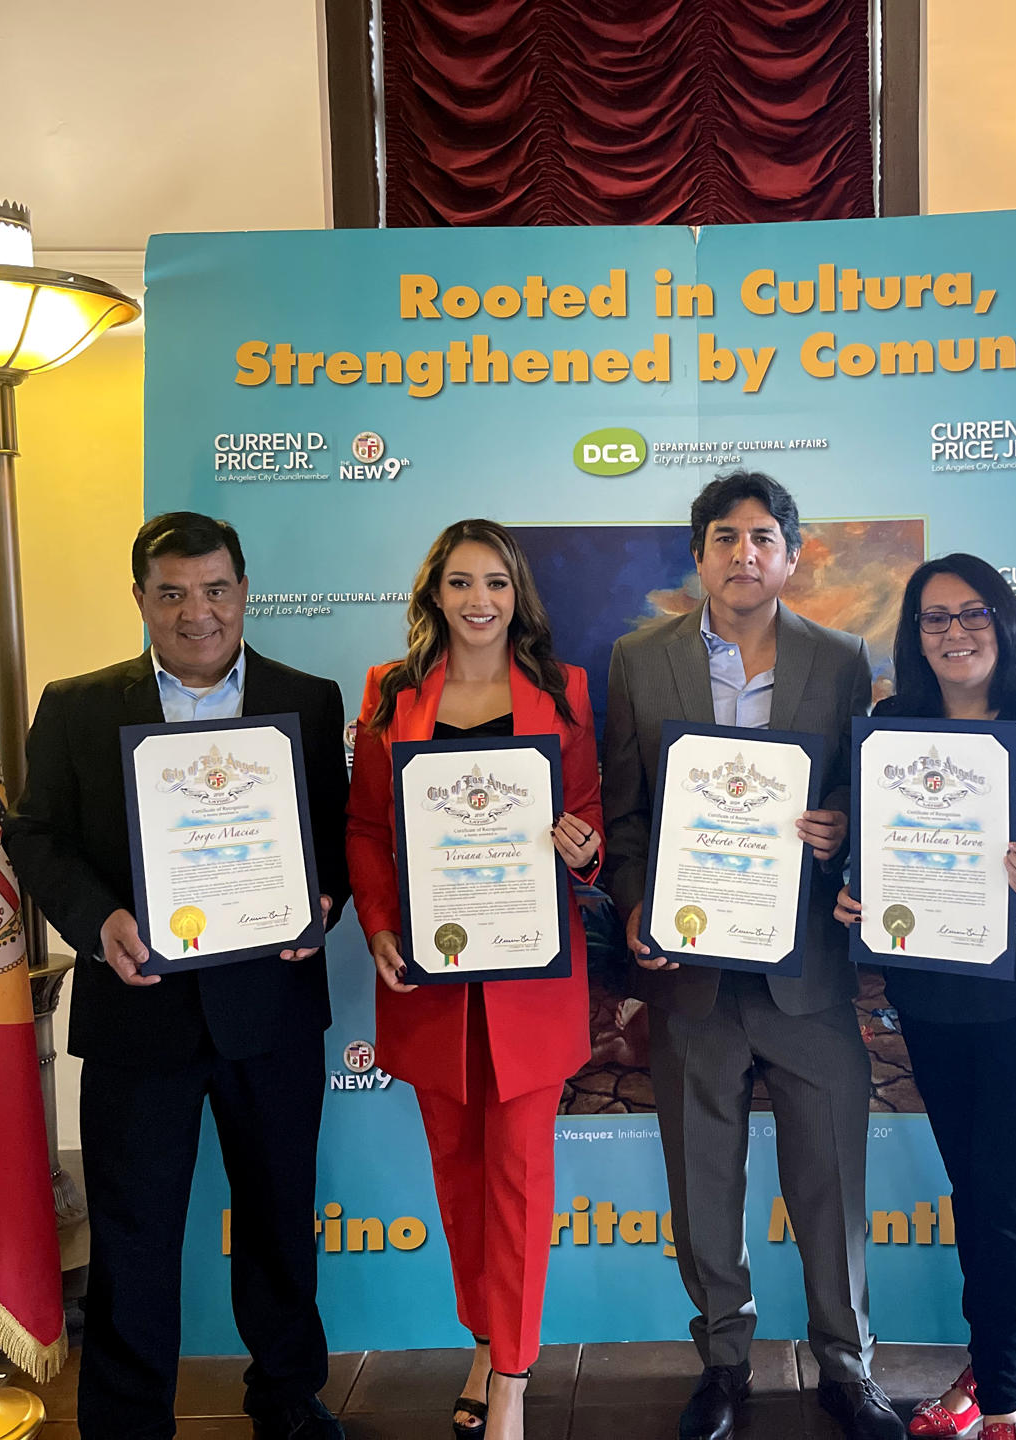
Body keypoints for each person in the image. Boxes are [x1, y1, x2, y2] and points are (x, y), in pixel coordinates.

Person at [5, 511, 350, 1440]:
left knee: (280, 1223)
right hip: (137, 1012)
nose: (198, 613)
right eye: (173, 594)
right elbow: (33, 837)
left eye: (215, 590)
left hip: (269, 1012)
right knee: (133, 1234)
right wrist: (99, 920)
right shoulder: (77, 705)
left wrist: (322, 906)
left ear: (244, 591)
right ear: (141, 600)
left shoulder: (307, 700)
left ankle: (287, 1395)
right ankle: (124, 1422)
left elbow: (335, 843)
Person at [600, 473, 901, 1440]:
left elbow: (864, 791)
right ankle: (724, 1362)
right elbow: (625, 804)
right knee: (704, 1180)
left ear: (791, 554)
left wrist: (841, 826)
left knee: (832, 1184)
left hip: (805, 968)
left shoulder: (843, 657)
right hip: (690, 971)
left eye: (763, 538)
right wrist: (638, 898)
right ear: (699, 555)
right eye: (724, 537)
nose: (743, 554)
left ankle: (846, 1366)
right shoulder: (639, 659)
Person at [345, 519, 603, 1440]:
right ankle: (486, 1338)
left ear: (516, 593)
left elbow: (588, 821)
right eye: (461, 582)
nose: (479, 600)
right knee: (458, 1182)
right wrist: (376, 926)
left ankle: (513, 1378)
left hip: (530, 985)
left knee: (521, 1181)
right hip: (431, 983)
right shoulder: (391, 692)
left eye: (496, 582)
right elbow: (369, 830)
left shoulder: (562, 691)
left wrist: (584, 850)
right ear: (435, 595)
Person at [835, 555, 1016, 1440]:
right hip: (933, 995)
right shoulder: (893, 723)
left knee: (1004, 1193)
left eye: (973, 614)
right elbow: (873, 851)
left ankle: (1001, 1401)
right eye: (935, 619)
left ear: (1005, 621)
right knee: (971, 1188)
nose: (954, 632)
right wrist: (853, 896)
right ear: (915, 637)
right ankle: (989, 1371)